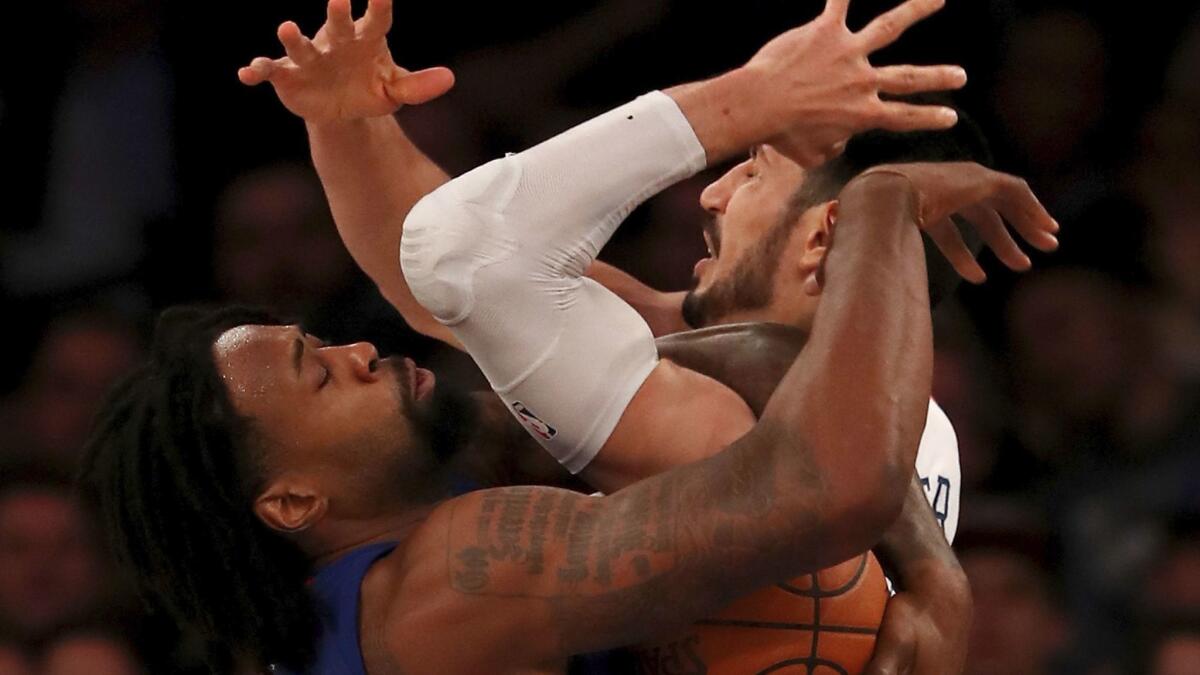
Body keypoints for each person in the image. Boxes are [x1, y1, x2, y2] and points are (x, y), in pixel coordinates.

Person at [240, 0, 1053, 672]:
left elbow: (466, 256)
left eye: (755, 169)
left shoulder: (708, 408)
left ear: (821, 239)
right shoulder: (908, 422)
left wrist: (749, 99)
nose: (711, 194)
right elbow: (441, 287)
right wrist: (347, 123)